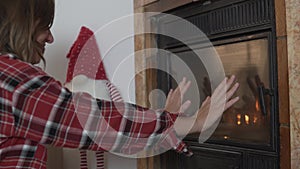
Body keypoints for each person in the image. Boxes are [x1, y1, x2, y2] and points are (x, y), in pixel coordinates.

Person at [0, 0, 239, 168]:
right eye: (45, 26)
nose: (50, 38)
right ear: (21, 24)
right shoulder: (13, 82)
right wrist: (191, 122)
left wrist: (166, 121)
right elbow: (96, 120)